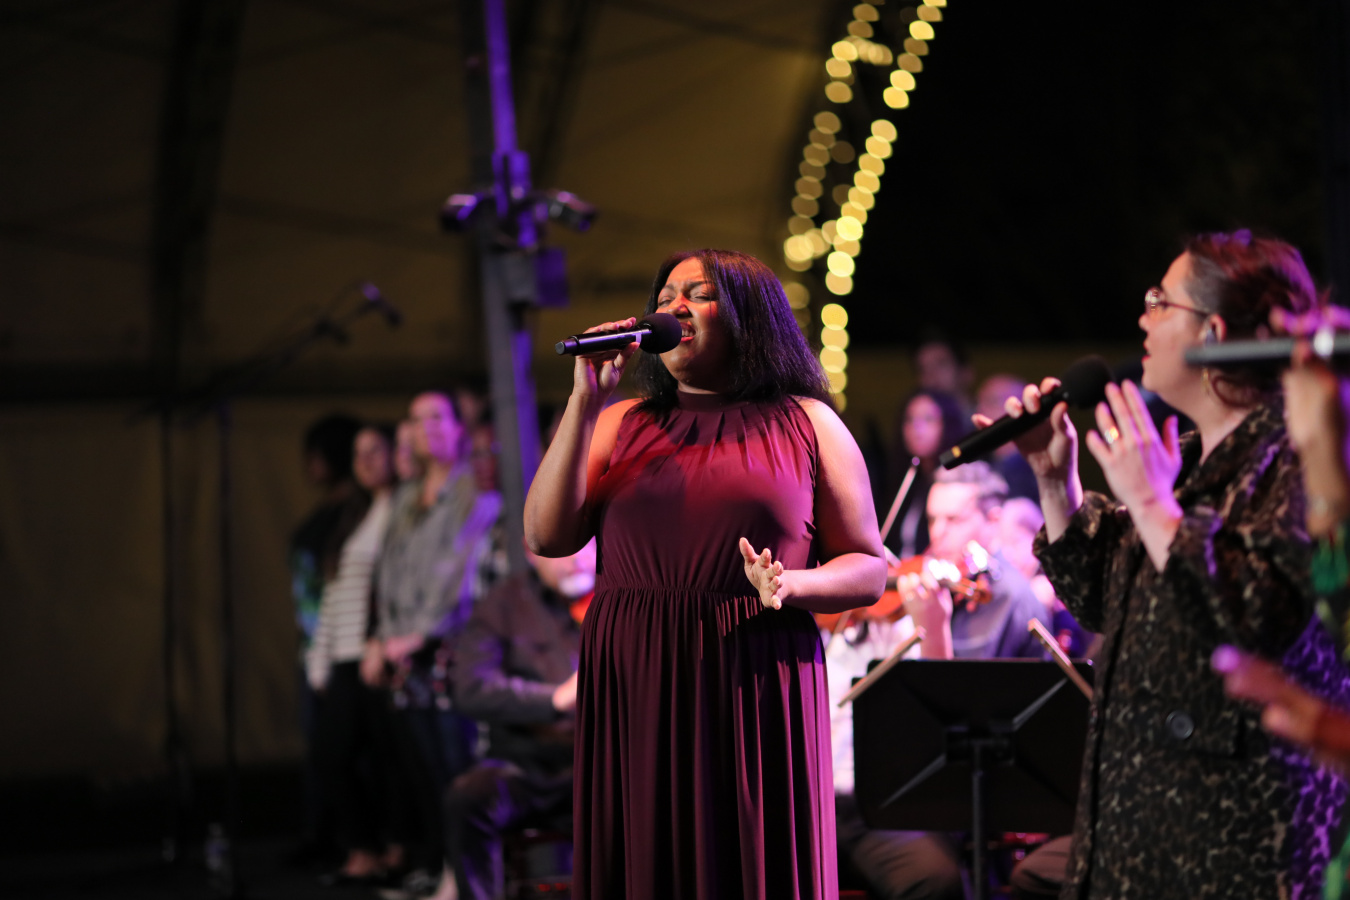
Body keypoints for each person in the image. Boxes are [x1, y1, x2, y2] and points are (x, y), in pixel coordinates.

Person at [524, 248, 887, 899]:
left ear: (749, 315)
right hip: (636, 669)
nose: (675, 308)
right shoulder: (621, 422)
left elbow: (868, 567)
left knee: (746, 861)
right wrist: (584, 401)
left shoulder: (808, 423)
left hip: (752, 669)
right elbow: (545, 536)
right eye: (665, 298)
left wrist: (793, 585)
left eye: (698, 294)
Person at [1006, 229, 1347, 898]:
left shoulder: (1300, 456)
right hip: (1138, 834)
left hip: (1231, 845)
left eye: (1160, 302)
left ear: (1213, 332)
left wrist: (1152, 504)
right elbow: (1105, 600)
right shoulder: (1181, 456)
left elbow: (1255, 619)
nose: (1144, 318)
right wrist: (1054, 481)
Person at [365, 391, 504, 895]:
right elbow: (388, 568)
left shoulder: (473, 489)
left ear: (457, 427)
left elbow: (460, 571)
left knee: (457, 766)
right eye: (417, 418)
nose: (426, 427)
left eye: (436, 417)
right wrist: (381, 637)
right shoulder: (407, 496)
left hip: (448, 647)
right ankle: (448, 869)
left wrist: (419, 634)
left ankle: (468, 877)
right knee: (425, 771)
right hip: (405, 652)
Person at [446, 540, 595, 900]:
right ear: (532, 552)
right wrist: (555, 699)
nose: (574, 559)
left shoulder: (621, 597)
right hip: (528, 765)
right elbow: (471, 687)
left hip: (600, 768)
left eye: (583, 544)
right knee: (468, 798)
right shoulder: (504, 603)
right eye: (560, 549)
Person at [306, 424, 408, 885]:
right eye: (357, 453)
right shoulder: (356, 515)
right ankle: (367, 848)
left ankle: (391, 849)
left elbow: (394, 586)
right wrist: (320, 656)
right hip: (345, 655)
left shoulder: (400, 509)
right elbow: (334, 593)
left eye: (374, 450)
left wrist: (380, 641)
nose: (364, 460)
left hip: (374, 651)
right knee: (334, 755)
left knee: (388, 758)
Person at [289, 411, 363, 858]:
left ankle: (338, 840)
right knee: (322, 748)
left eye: (314, 455)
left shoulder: (353, 514)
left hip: (334, 647)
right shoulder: (335, 515)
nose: (309, 465)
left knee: (334, 750)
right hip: (317, 646)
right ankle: (324, 836)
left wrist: (322, 651)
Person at [882, 388, 968, 560]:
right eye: (910, 419)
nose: (917, 428)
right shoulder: (906, 479)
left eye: (928, 419)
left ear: (947, 425)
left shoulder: (959, 483)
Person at [975, 373, 1039, 502]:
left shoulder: (1035, 467)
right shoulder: (983, 463)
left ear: (1019, 408)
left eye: (992, 401)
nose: (980, 409)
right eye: (979, 402)